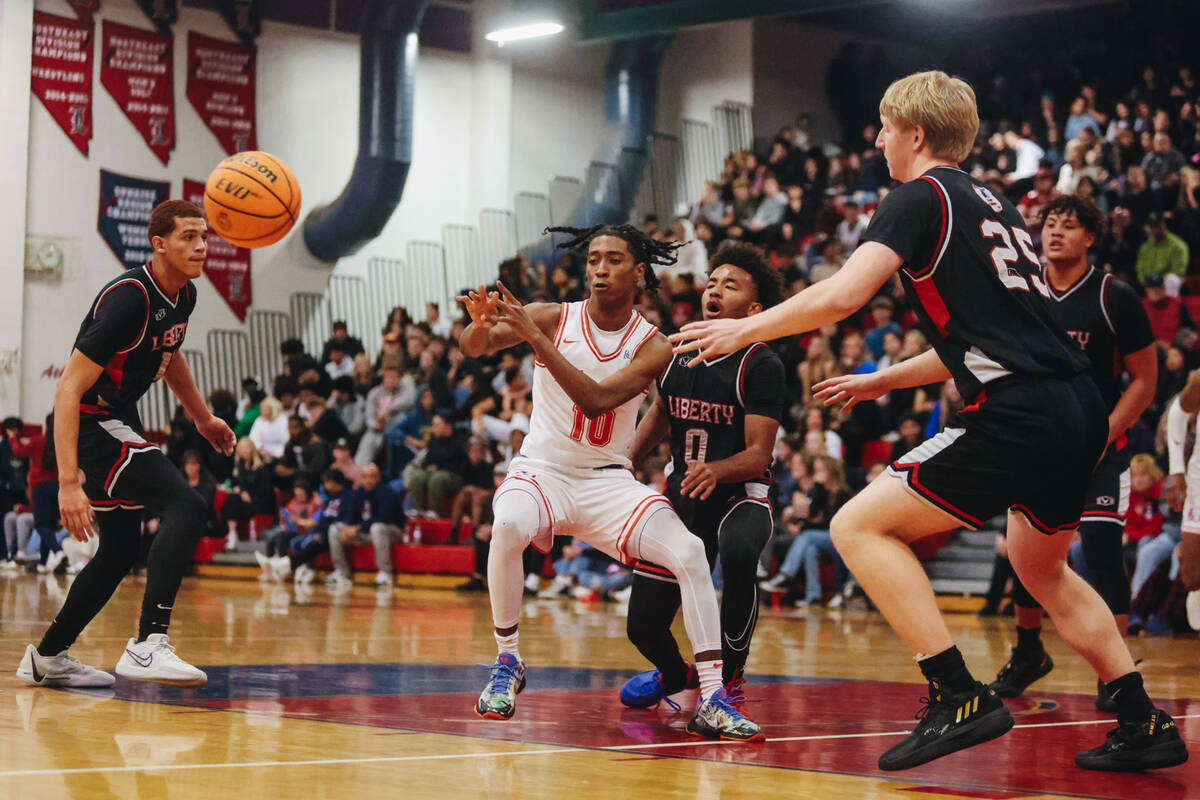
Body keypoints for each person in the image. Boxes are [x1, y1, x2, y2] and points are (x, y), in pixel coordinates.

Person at [670, 71, 1186, 772]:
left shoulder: (919, 196)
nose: (878, 140)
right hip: (1075, 410)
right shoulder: (996, 204)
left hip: (1021, 412)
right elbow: (1000, 336)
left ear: (915, 134)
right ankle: (1140, 718)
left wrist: (747, 329)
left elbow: (847, 293)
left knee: (857, 525)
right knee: (1045, 572)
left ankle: (954, 692)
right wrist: (885, 376)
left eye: (885, 128)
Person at [459, 222, 758, 739]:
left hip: (607, 480)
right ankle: (507, 662)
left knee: (688, 552)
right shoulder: (552, 315)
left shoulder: (655, 345)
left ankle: (711, 697)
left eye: (614, 259)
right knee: (507, 523)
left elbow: (596, 398)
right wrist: (482, 327)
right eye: (594, 258)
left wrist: (534, 340)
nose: (600, 267)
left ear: (639, 271)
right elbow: (474, 347)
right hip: (542, 470)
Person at [16, 200, 234, 690]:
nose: (200, 246)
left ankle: (47, 657)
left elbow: (169, 353)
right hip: (92, 421)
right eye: (187, 237)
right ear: (158, 245)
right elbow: (67, 390)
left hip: (113, 418)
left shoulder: (184, 296)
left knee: (117, 551)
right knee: (185, 502)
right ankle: (148, 644)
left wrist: (202, 418)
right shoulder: (129, 298)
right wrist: (66, 483)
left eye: (204, 237)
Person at [988, 195, 1157, 711]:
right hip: (1040, 445)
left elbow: (1146, 380)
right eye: (1050, 223)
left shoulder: (1114, 296)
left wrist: (1101, 433)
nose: (1055, 231)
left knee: (1102, 553)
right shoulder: (1024, 292)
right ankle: (1028, 651)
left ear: (1091, 238)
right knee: (1027, 554)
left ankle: (1116, 669)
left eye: (1070, 225)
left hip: (1103, 447)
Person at [618, 242, 784, 732]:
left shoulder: (761, 363)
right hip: (683, 495)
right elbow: (661, 413)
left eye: (729, 284)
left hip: (739, 496)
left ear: (753, 310)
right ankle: (676, 674)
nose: (714, 288)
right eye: (712, 281)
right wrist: (625, 457)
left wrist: (717, 469)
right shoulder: (677, 349)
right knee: (642, 625)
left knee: (736, 552)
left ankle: (728, 683)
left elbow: (759, 454)